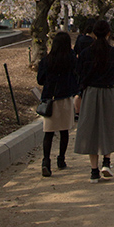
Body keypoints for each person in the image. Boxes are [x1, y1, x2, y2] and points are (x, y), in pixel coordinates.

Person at [74, 19, 114, 182]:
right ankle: (107, 162)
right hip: (109, 92)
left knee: (91, 128)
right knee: (108, 126)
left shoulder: (85, 54)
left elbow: (79, 73)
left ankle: (94, 170)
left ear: (94, 34)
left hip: (91, 92)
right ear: (109, 33)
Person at [37, 31, 79, 177]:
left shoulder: (47, 60)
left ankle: (46, 161)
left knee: (48, 133)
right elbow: (76, 76)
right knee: (64, 131)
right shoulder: (71, 59)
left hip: (50, 99)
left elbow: (40, 80)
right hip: (65, 98)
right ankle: (61, 159)